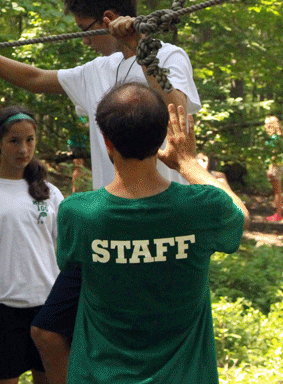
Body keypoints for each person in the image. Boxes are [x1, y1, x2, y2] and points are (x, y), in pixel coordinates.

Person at [0, 0, 201, 383]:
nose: (83, 39)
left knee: (136, 337)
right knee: (48, 331)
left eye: (85, 29)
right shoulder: (99, 70)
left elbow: (175, 109)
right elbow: (36, 79)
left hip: (159, 217)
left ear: (110, 20)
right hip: (105, 221)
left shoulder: (165, 55)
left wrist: (139, 47)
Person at [57, 82, 248, 383]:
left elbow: (70, 265)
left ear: (106, 140)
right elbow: (240, 214)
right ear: (162, 137)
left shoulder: (78, 213)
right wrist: (187, 162)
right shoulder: (200, 208)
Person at [0, 107, 65, 384]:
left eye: (30, 140)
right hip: (2, 309)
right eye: (15, 141)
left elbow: (67, 249)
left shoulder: (50, 193)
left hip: (48, 307)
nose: (24, 148)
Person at [264, 115, 283, 222]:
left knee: (277, 191)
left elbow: (274, 154)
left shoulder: (274, 138)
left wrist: (271, 168)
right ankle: (278, 213)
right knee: (277, 191)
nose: (265, 126)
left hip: (275, 165)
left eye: (267, 124)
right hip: (277, 165)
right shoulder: (278, 137)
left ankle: (278, 214)